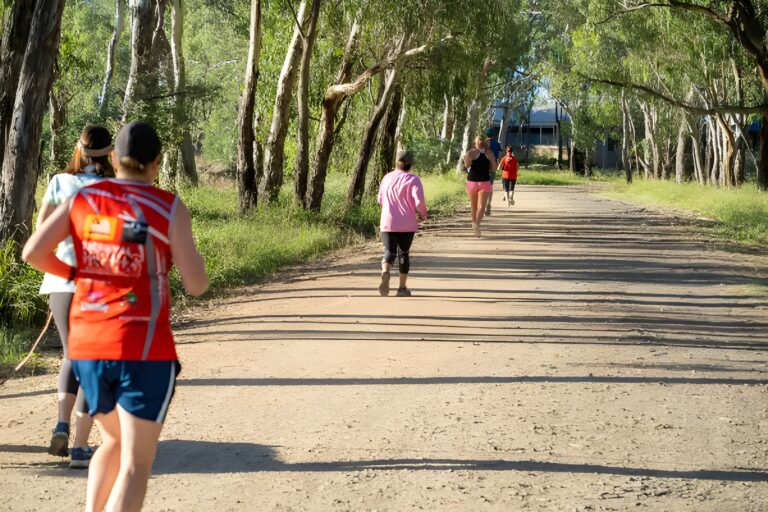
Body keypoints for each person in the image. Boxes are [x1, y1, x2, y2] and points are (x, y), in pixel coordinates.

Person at [23, 122, 209, 512]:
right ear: (157, 162)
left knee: (114, 441)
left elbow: (33, 253)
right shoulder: (168, 207)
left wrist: (77, 273)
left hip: (88, 349)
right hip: (144, 351)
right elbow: (196, 285)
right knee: (136, 464)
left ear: (114, 157)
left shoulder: (82, 200)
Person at [37, 125, 115, 468]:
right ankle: (81, 447)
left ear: (78, 149)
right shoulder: (114, 189)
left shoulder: (59, 181)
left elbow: (42, 232)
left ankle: (61, 424)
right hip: (98, 285)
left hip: (60, 281)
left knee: (72, 354)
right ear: (110, 153)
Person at [377, 150, 427, 297]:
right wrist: (423, 214)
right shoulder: (413, 179)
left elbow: (380, 200)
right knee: (403, 253)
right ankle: (402, 288)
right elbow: (419, 201)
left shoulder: (386, 178)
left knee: (389, 251)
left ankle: (385, 271)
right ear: (410, 164)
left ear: (396, 163)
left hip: (388, 222)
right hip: (407, 223)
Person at [463, 136, 497, 237]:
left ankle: (475, 225)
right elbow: (494, 168)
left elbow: (467, 165)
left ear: (475, 142)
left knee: (475, 206)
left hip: (474, 181)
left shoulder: (471, 152)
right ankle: (476, 224)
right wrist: (490, 164)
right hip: (482, 182)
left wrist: (467, 159)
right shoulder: (489, 153)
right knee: (480, 206)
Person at [484, 136, 502, 217]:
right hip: (493, 167)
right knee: (490, 187)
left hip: (483, 168)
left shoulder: (483, 143)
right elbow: (499, 156)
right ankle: (488, 203)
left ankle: (484, 204)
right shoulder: (497, 144)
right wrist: (499, 166)